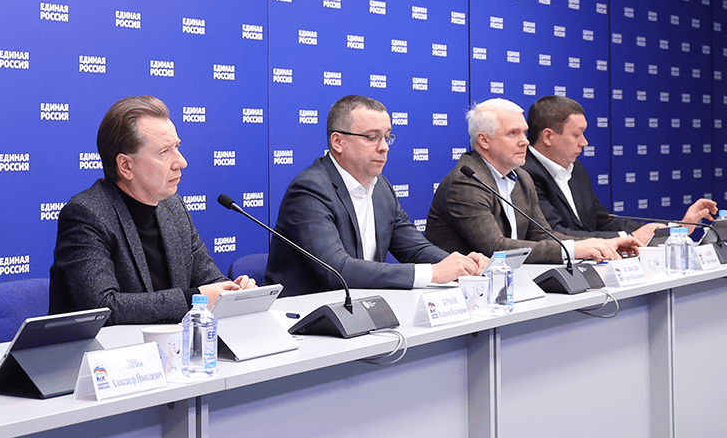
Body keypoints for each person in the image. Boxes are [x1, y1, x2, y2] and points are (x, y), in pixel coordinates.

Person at [49, 95, 254, 324]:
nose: (181, 162)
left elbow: (209, 280)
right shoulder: (87, 215)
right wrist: (195, 298)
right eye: (164, 152)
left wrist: (234, 291)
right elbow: (103, 307)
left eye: (177, 147)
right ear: (126, 166)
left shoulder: (173, 208)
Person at [266, 95, 486, 295]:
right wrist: (432, 273)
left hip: (362, 307)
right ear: (338, 142)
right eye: (372, 137)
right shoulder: (309, 190)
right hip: (305, 313)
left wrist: (461, 264)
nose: (384, 147)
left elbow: (414, 248)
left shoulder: (381, 187)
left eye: (387, 137)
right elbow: (336, 269)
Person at [424, 98, 639, 264]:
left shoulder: (521, 177)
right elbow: (496, 248)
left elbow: (543, 235)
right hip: (464, 289)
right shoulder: (466, 182)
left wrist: (600, 244)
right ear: (484, 140)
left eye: (524, 133)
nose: (525, 141)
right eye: (513, 133)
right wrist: (575, 250)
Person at [524, 95, 716, 243]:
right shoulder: (525, 174)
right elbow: (555, 234)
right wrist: (628, 237)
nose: (584, 142)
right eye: (576, 135)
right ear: (548, 137)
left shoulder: (576, 169)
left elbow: (602, 220)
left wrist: (675, 228)